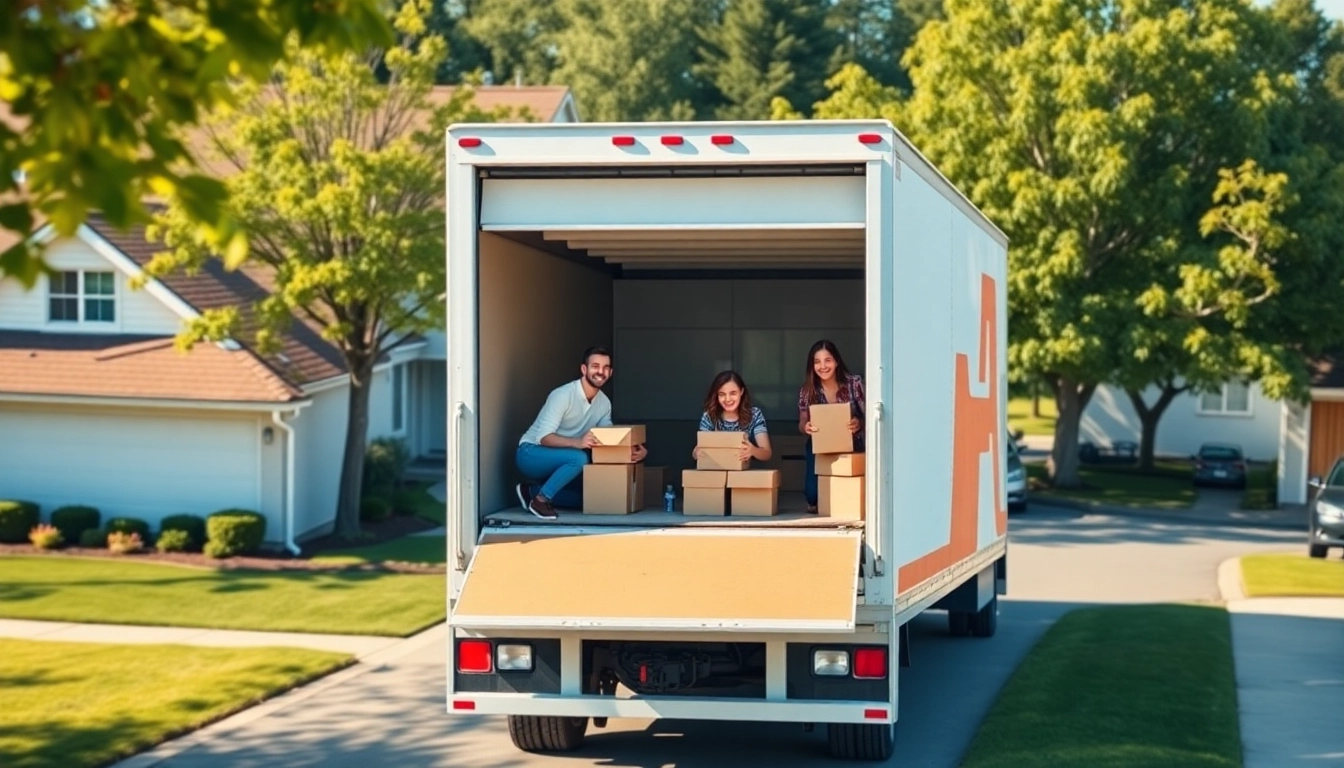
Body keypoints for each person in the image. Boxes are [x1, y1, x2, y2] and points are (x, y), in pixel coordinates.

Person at [515, 346, 647, 519]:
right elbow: (544, 437)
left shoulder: (604, 403)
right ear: (584, 369)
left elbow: (607, 437)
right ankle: (539, 501)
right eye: (595, 366)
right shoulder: (563, 395)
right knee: (579, 457)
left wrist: (635, 449)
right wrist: (578, 443)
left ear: (611, 372)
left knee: (587, 497)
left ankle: (530, 491)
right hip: (531, 453)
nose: (601, 371)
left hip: (562, 459)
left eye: (606, 367)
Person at [797, 340, 865, 513]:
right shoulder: (807, 391)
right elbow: (801, 422)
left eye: (827, 360)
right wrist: (806, 427)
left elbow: (870, 416)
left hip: (853, 443)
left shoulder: (854, 383)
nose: (823, 366)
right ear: (812, 366)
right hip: (821, 447)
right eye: (817, 362)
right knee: (812, 498)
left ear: (836, 361)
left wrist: (859, 422)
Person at [694, 370, 773, 464]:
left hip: (743, 474)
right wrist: (696, 453)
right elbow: (698, 448)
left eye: (733, 393)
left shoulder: (755, 414)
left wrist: (753, 450)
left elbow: (767, 453)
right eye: (722, 394)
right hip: (715, 472)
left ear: (741, 391)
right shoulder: (709, 416)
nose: (728, 399)